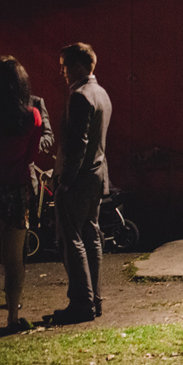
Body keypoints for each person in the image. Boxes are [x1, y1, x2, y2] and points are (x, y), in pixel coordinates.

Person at [49, 42, 112, 325]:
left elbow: (77, 145)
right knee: (91, 235)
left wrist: (64, 181)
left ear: (77, 65)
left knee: (70, 238)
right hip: (97, 175)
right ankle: (95, 299)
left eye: (64, 66)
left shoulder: (79, 96)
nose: (61, 71)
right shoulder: (102, 93)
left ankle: (81, 302)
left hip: (78, 178)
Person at [0, 57, 46, 331]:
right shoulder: (31, 116)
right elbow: (30, 156)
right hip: (15, 188)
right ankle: (12, 315)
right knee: (14, 258)